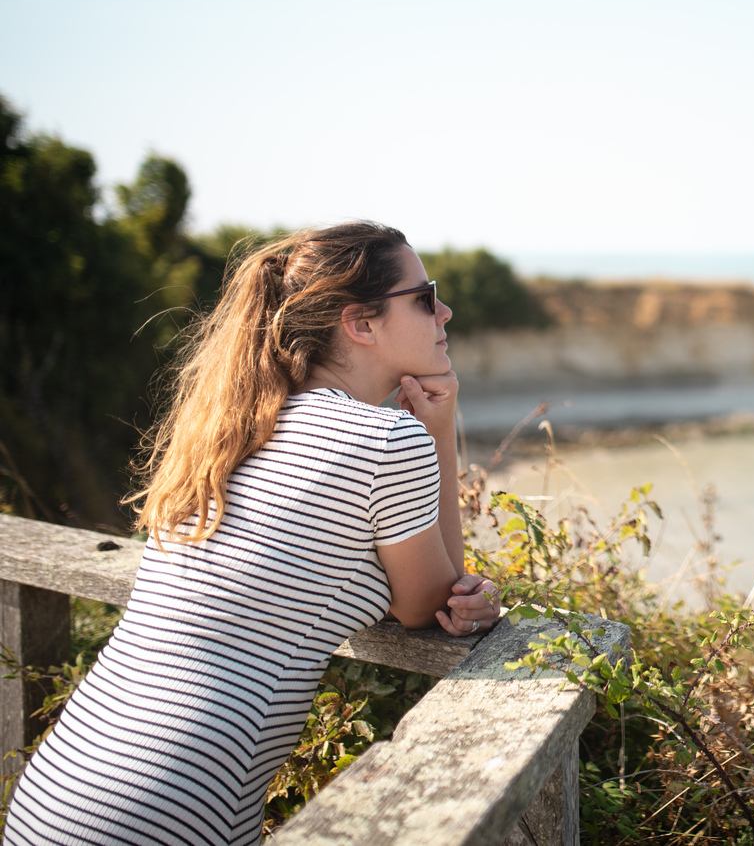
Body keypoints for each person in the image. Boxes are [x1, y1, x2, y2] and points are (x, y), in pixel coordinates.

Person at [3, 221, 500, 846]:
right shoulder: (383, 440)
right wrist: (439, 428)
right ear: (360, 323)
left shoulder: (235, 427)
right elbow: (432, 603)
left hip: (64, 784)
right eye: (425, 297)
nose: (444, 311)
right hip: (169, 804)